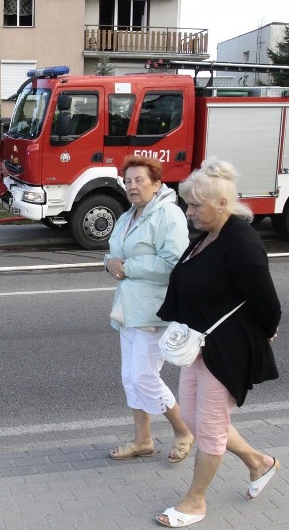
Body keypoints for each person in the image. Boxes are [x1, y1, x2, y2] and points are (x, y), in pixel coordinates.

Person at [154, 157, 281, 528]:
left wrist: (266, 328)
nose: (188, 211)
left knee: (208, 426)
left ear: (222, 204)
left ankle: (195, 501)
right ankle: (259, 462)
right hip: (199, 344)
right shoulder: (208, 236)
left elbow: (267, 301)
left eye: (195, 205)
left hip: (226, 349)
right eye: (188, 203)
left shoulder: (241, 241)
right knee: (194, 418)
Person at [103, 156, 194, 465]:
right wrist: (110, 263)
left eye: (139, 180)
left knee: (144, 376)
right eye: (127, 180)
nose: (132, 186)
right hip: (129, 310)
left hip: (155, 311)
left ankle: (184, 432)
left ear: (157, 184)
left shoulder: (168, 214)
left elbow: (174, 263)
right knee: (130, 376)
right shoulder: (129, 215)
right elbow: (114, 254)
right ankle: (143, 440)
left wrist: (127, 267)